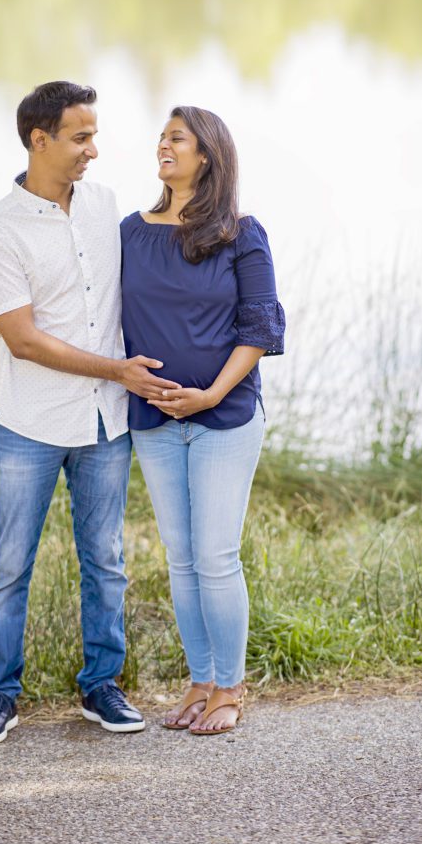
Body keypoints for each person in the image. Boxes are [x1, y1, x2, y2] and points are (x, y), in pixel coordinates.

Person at [0, 81, 180, 745]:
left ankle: (100, 686)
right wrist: (117, 369)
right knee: (9, 568)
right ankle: (0, 697)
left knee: (106, 560)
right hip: (27, 424)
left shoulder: (107, 206)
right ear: (40, 140)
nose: (94, 148)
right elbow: (24, 339)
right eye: (80, 136)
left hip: (104, 423)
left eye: (94, 134)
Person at [121, 106, 285, 735]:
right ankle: (199, 681)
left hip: (226, 415)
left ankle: (231, 688)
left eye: (177, 139)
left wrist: (211, 393)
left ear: (207, 156)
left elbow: (261, 324)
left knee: (216, 555)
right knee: (182, 557)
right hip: (153, 417)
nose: (163, 146)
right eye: (161, 137)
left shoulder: (241, 232)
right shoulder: (131, 232)